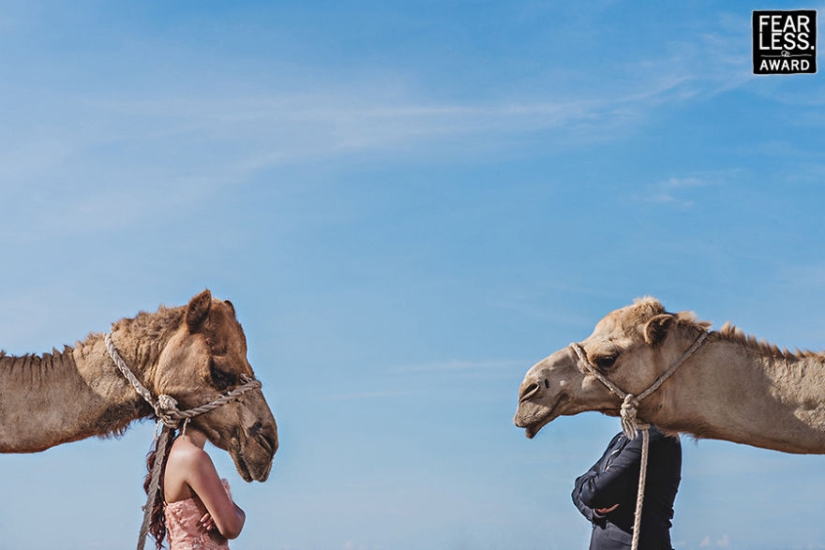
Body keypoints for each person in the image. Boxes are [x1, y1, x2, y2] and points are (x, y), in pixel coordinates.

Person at [571, 425, 681, 550]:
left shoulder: (655, 436)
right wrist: (596, 512)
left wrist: (588, 487)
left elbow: (594, 494)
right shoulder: (621, 438)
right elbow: (577, 493)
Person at [145, 424, 246, 550]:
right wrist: (233, 510)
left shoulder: (175, 452)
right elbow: (231, 527)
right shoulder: (194, 457)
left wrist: (220, 508)